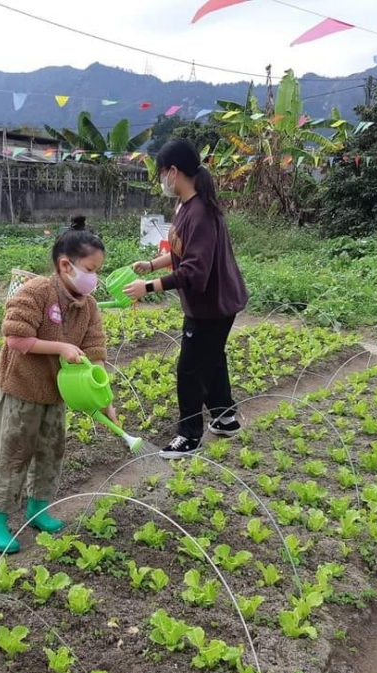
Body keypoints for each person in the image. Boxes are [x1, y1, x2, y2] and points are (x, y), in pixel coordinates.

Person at [0, 216, 116, 554]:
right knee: (13, 452)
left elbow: (95, 353)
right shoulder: (37, 292)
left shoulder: (89, 307)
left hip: (57, 393)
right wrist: (60, 347)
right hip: (22, 388)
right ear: (65, 265)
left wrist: (106, 400)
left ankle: (38, 509)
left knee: (50, 452)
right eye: (90, 268)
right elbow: (15, 338)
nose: (94, 278)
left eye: (98, 270)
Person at [125, 138, 248, 459]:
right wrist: (153, 264)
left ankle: (189, 436)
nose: (162, 180)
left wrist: (148, 286)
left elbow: (194, 272)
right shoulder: (185, 207)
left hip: (213, 305)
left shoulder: (202, 213)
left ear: (174, 171)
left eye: (161, 173)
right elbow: (183, 252)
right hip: (210, 303)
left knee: (191, 370)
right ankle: (225, 417)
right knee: (212, 358)